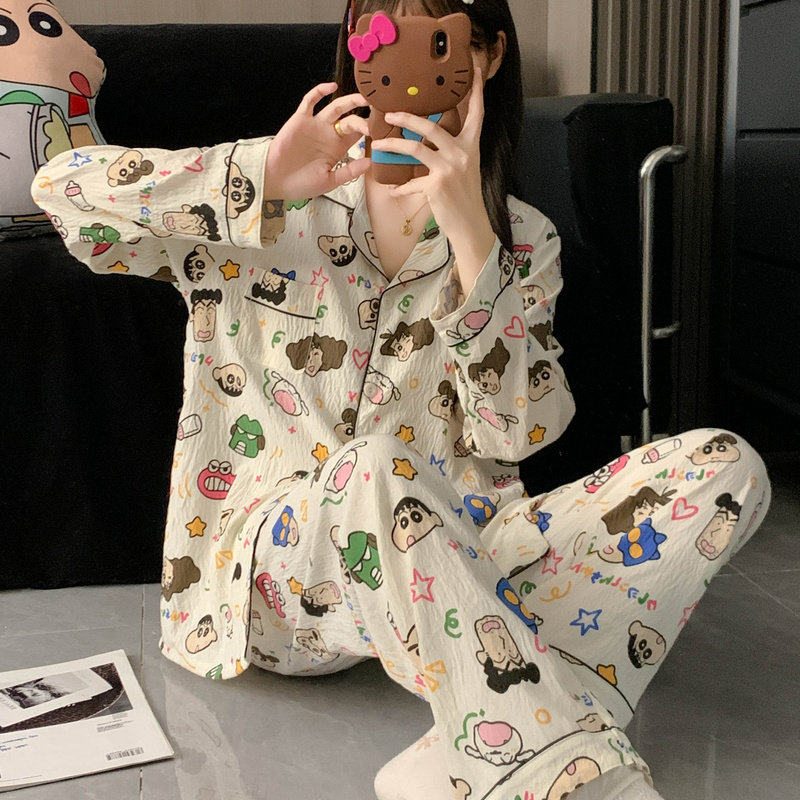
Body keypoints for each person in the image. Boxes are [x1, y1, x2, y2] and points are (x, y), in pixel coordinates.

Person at [30, 0, 773, 797]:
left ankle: (470, 739)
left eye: (438, 39)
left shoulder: (523, 239)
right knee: (375, 465)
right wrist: (267, 173)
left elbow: (518, 433)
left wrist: (473, 240)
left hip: (463, 565)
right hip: (276, 587)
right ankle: (564, 763)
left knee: (729, 468)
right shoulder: (270, 201)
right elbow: (62, 192)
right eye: (380, 30)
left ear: (486, 55)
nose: (405, 62)